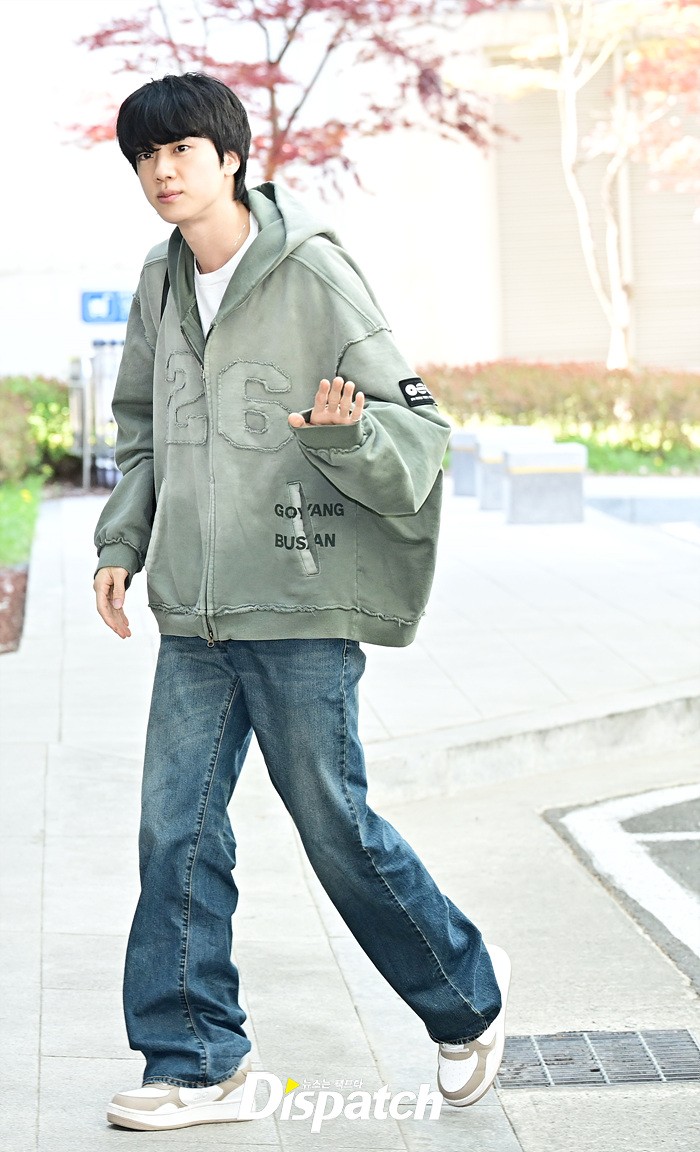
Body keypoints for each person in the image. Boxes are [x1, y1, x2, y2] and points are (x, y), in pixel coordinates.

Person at [93, 72, 510, 1133]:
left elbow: (417, 434)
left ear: (232, 157)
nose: (162, 172)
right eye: (145, 157)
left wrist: (344, 433)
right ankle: (198, 1062)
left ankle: (465, 1001)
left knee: (335, 826)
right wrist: (122, 542)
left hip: (299, 599)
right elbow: (140, 428)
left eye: (181, 150)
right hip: (195, 615)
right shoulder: (157, 281)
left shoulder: (314, 272)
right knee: (174, 834)